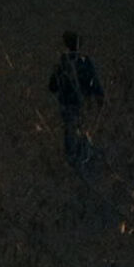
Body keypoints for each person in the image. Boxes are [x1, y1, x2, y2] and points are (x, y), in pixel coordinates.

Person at [47, 29, 102, 169]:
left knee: (70, 131)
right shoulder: (84, 61)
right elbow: (94, 80)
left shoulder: (63, 63)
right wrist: (99, 97)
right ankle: (83, 158)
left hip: (68, 103)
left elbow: (52, 86)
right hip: (83, 103)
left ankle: (73, 159)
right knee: (83, 130)